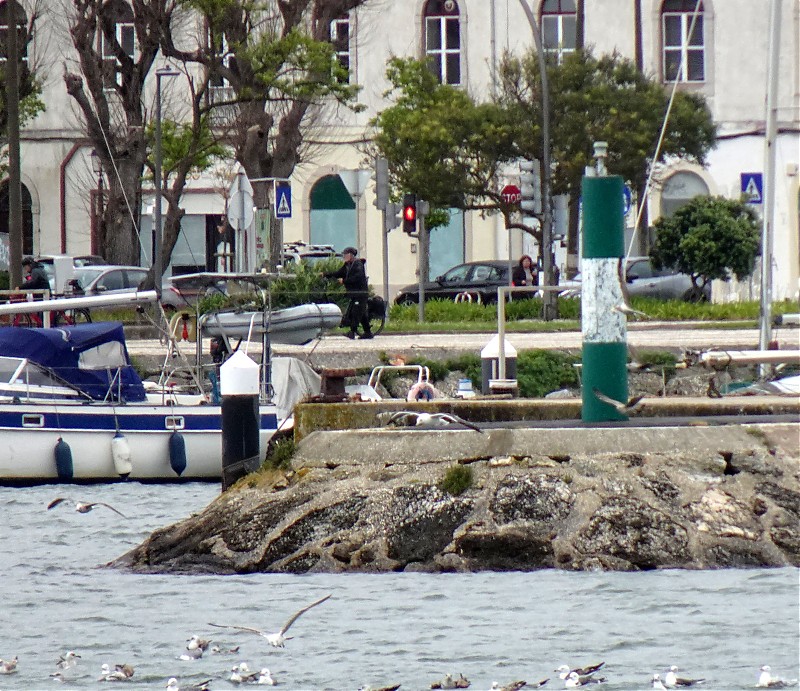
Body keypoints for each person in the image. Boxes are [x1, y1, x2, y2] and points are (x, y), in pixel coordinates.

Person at [324, 247, 372, 339]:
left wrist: (345, 281)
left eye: (346, 254)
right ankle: (368, 333)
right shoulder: (347, 265)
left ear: (351, 255)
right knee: (361, 314)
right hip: (354, 293)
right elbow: (338, 273)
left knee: (355, 312)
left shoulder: (358, 264)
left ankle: (352, 332)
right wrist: (326, 274)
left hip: (360, 293)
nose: (344, 256)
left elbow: (357, 277)